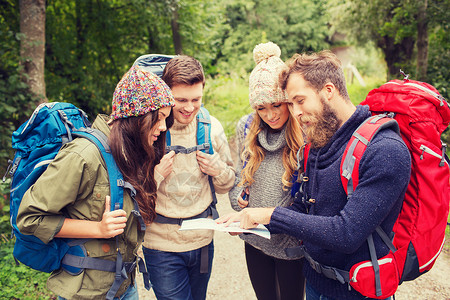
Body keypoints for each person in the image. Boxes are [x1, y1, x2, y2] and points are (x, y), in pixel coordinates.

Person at [218, 50, 411, 300]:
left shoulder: (385, 150)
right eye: (291, 103)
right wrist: (252, 219)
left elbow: (346, 233)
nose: (295, 112)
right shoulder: (319, 142)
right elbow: (302, 208)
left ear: (328, 90)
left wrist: (270, 214)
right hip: (315, 282)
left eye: (299, 100)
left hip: (357, 291)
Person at [16, 65, 174, 300]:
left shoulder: (130, 150)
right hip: (87, 293)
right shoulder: (83, 155)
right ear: (137, 115)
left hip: (124, 286)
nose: (163, 127)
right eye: (159, 118)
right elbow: (29, 219)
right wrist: (97, 229)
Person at [142, 55, 235, 300]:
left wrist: (219, 171)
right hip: (161, 245)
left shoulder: (211, 127)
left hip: (203, 241)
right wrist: (156, 176)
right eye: (180, 100)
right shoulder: (150, 132)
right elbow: (133, 195)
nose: (189, 108)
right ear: (165, 95)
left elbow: (227, 184)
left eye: (196, 99)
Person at [228, 42, 305, 300]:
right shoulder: (246, 128)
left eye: (276, 104)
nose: (270, 114)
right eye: (261, 108)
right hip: (255, 240)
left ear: (288, 101)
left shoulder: (305, 132)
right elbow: (240, 177)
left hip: (291, 243)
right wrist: (240, 199)